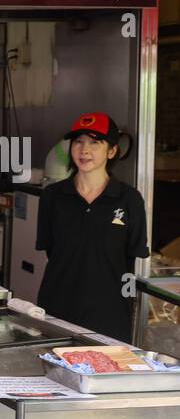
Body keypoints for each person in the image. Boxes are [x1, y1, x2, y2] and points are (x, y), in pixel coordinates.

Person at [36, 112, 148, 343]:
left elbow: (132, 255)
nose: (84, 150)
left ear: (112, 151)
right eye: (78, 141)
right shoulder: (53, 196)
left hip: (110, 313)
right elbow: (51, 251)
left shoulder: (129, 199)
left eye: (95, 142)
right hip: (58, 305)